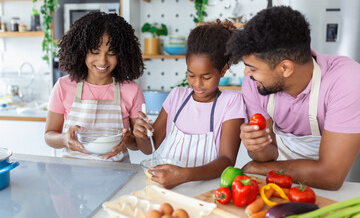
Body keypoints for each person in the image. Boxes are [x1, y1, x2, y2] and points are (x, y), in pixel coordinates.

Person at [227, 6, 360, 190]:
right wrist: (256, 146)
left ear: (285, 68)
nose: (246, 73)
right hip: (278, 184)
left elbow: (330, 176)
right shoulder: (254, 83)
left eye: (253, 68)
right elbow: (268, 155)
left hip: (332, 192)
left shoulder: (346, 79)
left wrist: (258, 168)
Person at [133, 20, 247, 189]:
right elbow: (149, 148)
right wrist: (141, 135)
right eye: (191, 75)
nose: (197, 84)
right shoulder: (177, 96)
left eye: (206, 77)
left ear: (222, 71)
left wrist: (183, 175)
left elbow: (227, 160)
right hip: (165, 188)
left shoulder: (231, 102)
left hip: (206, 191)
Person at [45, 11, 145, 162]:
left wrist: (128, 140)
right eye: (95, 52)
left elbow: (139, 145)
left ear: (122, 54)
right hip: (71, 174)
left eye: (111, 53)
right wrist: (64, 139)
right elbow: (49, 135)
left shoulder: (131, 90)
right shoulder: (63, 86)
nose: (102, 61)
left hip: (117, 175)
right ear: (81, 51)